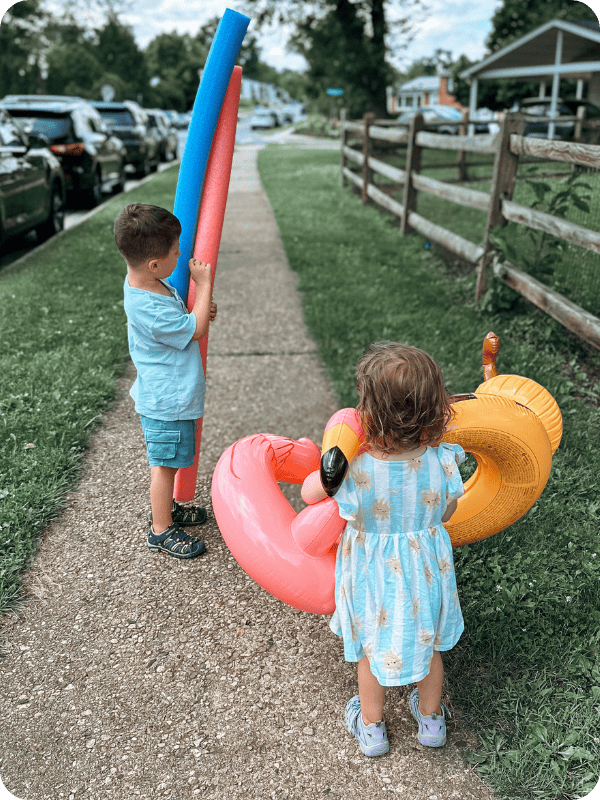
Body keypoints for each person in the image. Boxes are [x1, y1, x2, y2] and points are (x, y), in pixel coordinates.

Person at [302, 342, 465, 755]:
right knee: (427, 646)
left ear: (370, 412)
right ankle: (431, 722)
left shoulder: (356, 469)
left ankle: (372, 727)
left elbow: (308, 495)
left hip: (371, 575)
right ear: (433, 411)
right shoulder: (442, 461)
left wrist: (328, 471)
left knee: (371, 652)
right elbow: (447, 513)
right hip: (424, 569)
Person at [115, 203, 217, 559]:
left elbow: (189, 319)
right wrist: (203, 286)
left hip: (169, 396)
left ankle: (169, 511)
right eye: (177, 251)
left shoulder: (148, 283)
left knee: (172, 460)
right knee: (165, 466)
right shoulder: (148, 306)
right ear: (155, 264)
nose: (181, 254)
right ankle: (160, 530)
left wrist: (201, 304)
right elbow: (195, 329)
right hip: (166, 401)